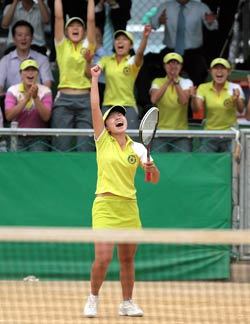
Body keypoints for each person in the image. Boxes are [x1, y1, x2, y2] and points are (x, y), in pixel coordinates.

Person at [83, 64, 160, 318]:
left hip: (129, 207)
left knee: (127, 259)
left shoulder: (137, 148)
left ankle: (127, 302)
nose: (118, 117)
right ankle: (93, 298)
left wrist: (150, 168)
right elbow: (94, 107)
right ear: (105, 124)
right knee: (103, 257)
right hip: (105, 206)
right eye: (113, 115)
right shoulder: (102, 141)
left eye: (121, 115)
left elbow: (153, 180)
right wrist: (95, 79)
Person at [51, 0, 96, 152]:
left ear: (84, 31)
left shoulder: (88, 45)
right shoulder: (61, 45)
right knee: (61, 147)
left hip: (85, 101)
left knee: (85, 148)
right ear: (65, 31)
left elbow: (91, 20)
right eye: (71, 25)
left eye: (79, 26)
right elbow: (58, 17)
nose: (75, 28)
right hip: (63, 100)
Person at [91, 26, 151, 130]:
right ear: (114, 43)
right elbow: (95, 69)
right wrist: (91, 63)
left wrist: (145, 37)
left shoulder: (132, 61)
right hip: (108, 106)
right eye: (118, 39)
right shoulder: (106, 59)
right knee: (107, 141)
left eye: (124, 39)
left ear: (131, 45)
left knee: (129, 141)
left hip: (128, 106)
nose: (120, 41)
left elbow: (140, 54)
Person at [192, 58, 245, 152]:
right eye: (216, 68)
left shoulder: (235, 87)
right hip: (209, 133)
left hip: (230, 133)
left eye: (223, 68)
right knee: (206, 162)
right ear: (210, 71)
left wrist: (236, 99)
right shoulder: (203, 87)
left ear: (228, 72)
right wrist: (192, 97)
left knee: (232, 164)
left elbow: (241, 109)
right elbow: (197, 109)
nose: (219, 71)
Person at [4, 59, 52, 151]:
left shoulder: (46, 91)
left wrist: (35, 97)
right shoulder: (12, 90)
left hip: (39, 137)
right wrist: (26, 98)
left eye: (33, 70)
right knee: (16, 164)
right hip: (17, 136)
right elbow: (9, 116)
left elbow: (46, 117)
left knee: (37, 164)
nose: (30, 73)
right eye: (26, 70)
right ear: (21, 73)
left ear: (37, 73)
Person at [150, 52, 194, 152]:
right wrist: (168, 81)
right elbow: (154, 99)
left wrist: (176, 83)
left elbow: (183, 101)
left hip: (181, 133)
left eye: (176, 63)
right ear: (164, 66)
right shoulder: (157, 81)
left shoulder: (187, 82)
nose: (173, 66)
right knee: (158, 163)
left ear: (181, 66)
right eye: (170, 63)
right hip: (160, 132)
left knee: (183, 163)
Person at [0, 20, 53, 96]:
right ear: (14, 39)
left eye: (27, 35)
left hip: (36, 100)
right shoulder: (5, 61)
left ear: (32, 38)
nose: (23, 38)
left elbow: (47, 85)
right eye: (19, 35)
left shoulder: (42, 59)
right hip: (11, 102)